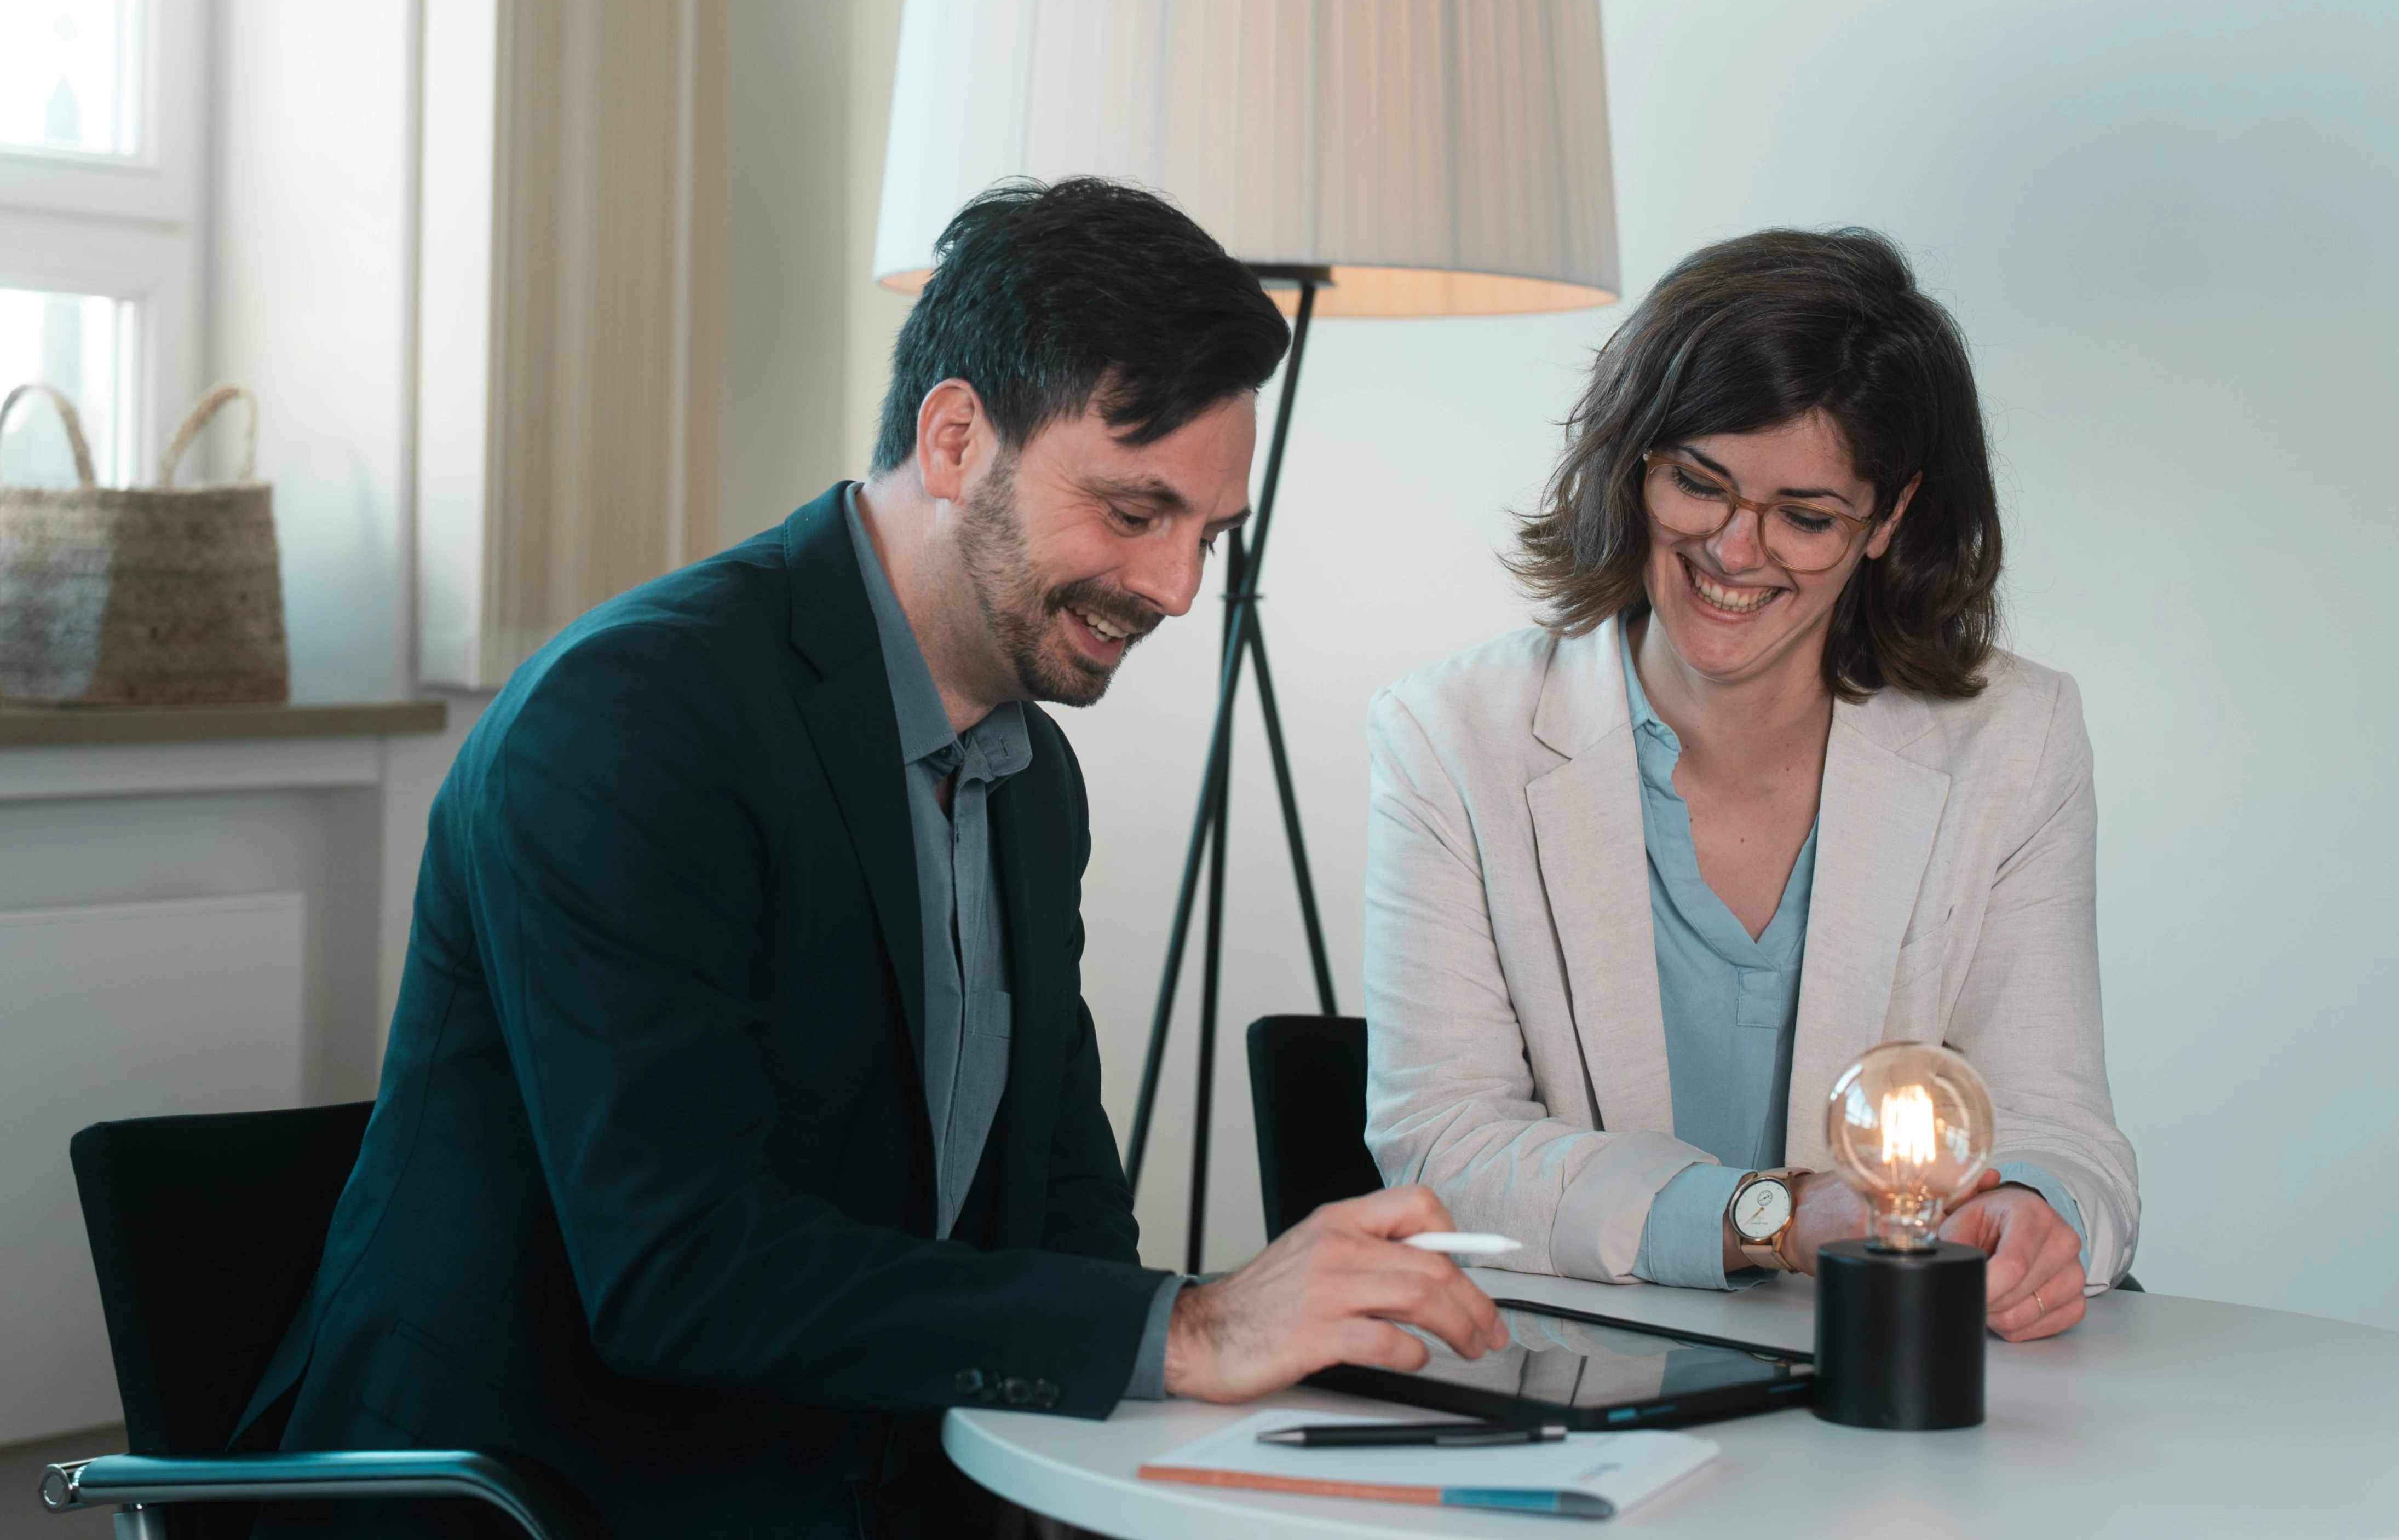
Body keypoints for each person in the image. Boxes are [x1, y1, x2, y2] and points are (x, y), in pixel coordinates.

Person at [241, 178, 1506, 1539]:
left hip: (854, 1474)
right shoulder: (635, 721)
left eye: (1206, 535)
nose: (1177, 588)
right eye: (1135, 511)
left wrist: (1161, 1405)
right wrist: (1188, 1330)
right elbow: (684, 1273)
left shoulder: (1030, 777)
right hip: (545, 1496)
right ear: (957, 438)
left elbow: (1061, 1203)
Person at [1361, 228, 2138, 1342]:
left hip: (1900, 1374)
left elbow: (2060, 1123)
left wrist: (2035, 1209)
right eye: (1700, 484)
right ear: (1635, 464)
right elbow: (1447, 1145)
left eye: (1807, 518)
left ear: (1891, 521)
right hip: (1589, 1367)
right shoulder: (1448, 738)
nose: (1735, 549)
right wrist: (1767, 1217)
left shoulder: (2017, 740)